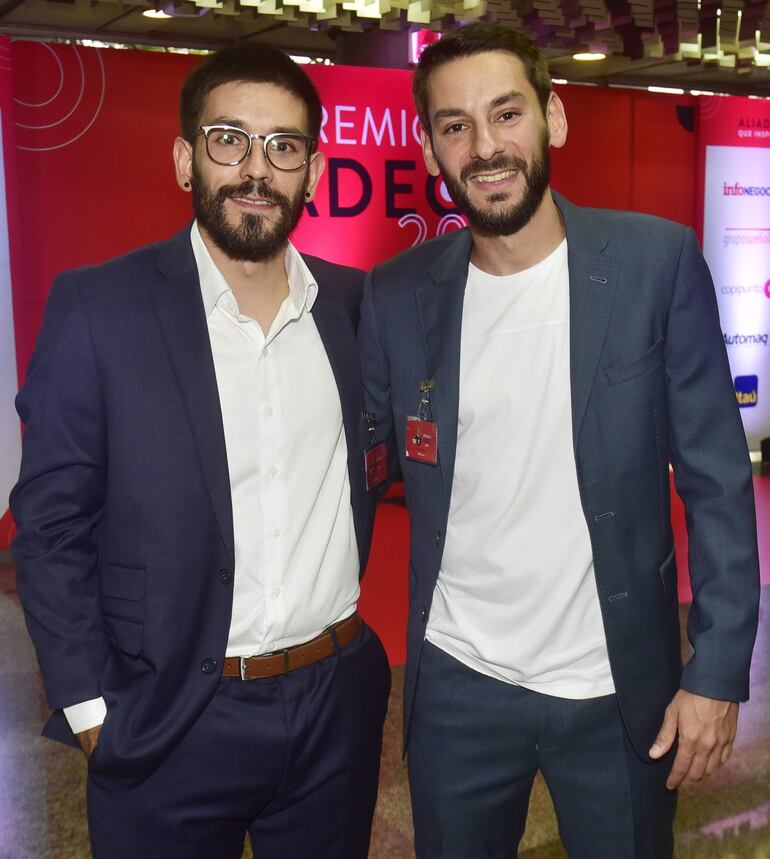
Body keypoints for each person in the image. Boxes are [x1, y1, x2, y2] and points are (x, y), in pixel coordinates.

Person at [359, 23, 760, 858]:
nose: (484, 147)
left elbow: (717, 478)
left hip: (617, 686)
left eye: (507, 114)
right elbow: (355, 468)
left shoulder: (653, 264)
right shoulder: (397, 295)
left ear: (554, 118)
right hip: (458, 686)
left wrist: (719, 669)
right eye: (455, 125)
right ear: (430, 150)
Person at [11, 42, 390, 859]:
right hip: (167, 720)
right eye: (229, 140)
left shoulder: (356, 308)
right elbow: (49, 525)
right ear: (186, 159)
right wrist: (90, 708)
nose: (256, 169)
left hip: (335, 707)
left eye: (283, 146)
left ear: (314, 173)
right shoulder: (99, 309)